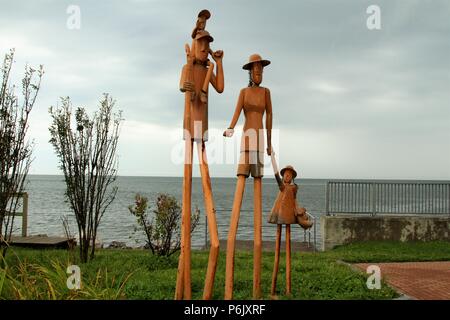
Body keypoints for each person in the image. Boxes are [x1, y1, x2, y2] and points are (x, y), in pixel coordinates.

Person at [175, 12, 224, 301]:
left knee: (204, 177)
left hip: (202, 130)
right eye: (201, 44)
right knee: (187, 184)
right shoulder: (188, 67)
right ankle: (186, 282)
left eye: (207, 44)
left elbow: (219, 87)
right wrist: (190, 87)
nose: (205, 48)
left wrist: (220, 64)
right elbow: (184, 86)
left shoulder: (207, 68)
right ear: (194, 46)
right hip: (188, 127)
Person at [223, 53, 272, 300]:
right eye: (255, 70)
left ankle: (257, 288)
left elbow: (270, 118)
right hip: (246, 140)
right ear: (249, 72)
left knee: (258, 190)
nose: (259, 73)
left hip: (260, 139)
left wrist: (270, 143)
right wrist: (231, 127)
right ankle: (231, 241)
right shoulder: (244, 92)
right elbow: (236, 112)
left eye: (261, 70)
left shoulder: (266, 93)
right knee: (241, 183)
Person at [269, 165, 313, 296]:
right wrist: (274, 163)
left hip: (289, 215)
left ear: (292, 177)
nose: (287, 177)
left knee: (288, 247)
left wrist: (298, 211)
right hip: (280, 214)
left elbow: (294, 200)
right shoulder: (282, 186)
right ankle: (273, 289)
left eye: (289, 175)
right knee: (277, 247)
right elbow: (277, 179)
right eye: (285, 175)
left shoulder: (294, 188)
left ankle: (288, 290)